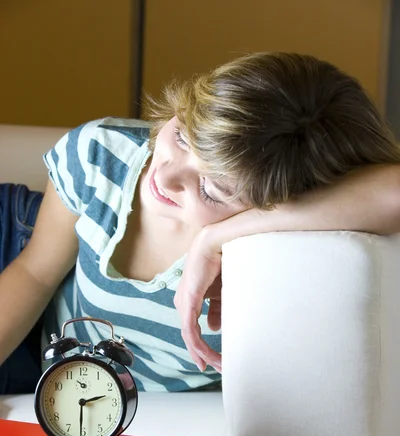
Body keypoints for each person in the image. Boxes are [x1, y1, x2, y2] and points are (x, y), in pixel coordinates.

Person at [1, 51, 400, 394]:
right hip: (19, 272)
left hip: (83, 394)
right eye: (183, 137)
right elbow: (35, 273)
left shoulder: (282, 248)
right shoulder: (101, 154)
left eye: (210, 188)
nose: (167, 176)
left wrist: (216, 239)